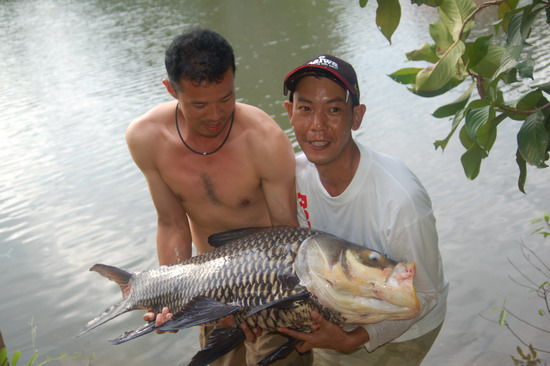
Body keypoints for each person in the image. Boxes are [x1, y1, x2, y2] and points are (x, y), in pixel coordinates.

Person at [126, 28, 310, 366]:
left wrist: (265, 306)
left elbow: (289, 237)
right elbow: (171, 223)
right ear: (171, 90)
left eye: (226, 98)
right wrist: (174, 299)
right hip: (208, 291)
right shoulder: (147, 138)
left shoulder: (264, 139)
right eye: (198, 104)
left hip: (268, 289)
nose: (215, 115)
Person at [277, 54, 449, 365]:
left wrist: (351, 340)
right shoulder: (293, 176)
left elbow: (426, 293)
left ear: (356, 117)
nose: (317, 126)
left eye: (333, 110)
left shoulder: (401, 200)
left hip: (403, 330)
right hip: (343, 311)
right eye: (305, 108)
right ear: (290, 112)